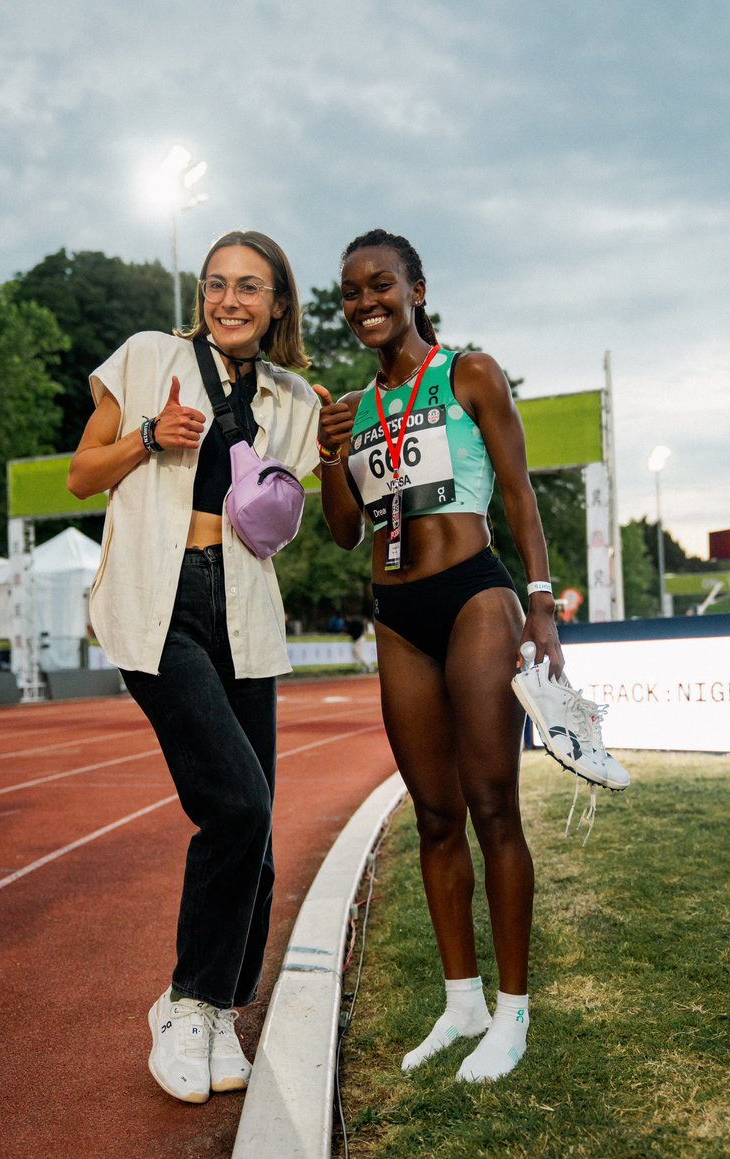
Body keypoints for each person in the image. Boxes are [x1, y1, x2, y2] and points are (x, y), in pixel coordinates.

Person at [67, 230, 321, 1104]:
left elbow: (290, 512)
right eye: (216, 284)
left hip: (245, 606)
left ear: (279, 302)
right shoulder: (147, 357)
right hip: (160, 599)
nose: (229, 299)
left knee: (260, 830)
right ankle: (186, 1003)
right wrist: (147, 435)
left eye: (250, 286)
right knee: (236, 805)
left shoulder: (290, 397)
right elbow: (79, 474)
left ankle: (218, 1010)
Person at [316, 229, 564, 1083]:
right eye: (350, 293)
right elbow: (346, 530)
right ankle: (462, 1003)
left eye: (380, 285)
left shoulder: (470, 374)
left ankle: (515, 1013)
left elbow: (521, 491)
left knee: (493, 804)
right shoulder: (354, 406)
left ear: (417, 287)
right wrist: (327, 454)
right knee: (432, 815)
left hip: (475, 597)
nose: (365, 303)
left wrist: (542, 602)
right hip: (395, 614)